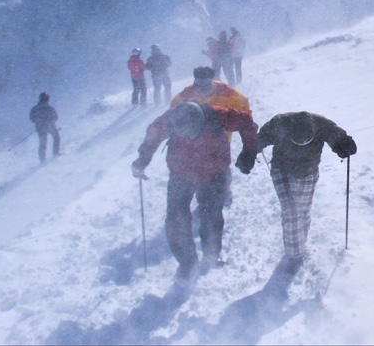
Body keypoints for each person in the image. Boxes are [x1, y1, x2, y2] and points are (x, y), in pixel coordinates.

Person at [132, 100, 258, 283]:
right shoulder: (170, 119)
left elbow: (246, 122)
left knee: (212, 215)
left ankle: (212, 255)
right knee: (176, 219)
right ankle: (187, 263)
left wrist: (249, 150)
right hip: (181, 174)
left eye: (192, 132)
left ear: (200, 120)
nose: (189, 137)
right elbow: (154, 133)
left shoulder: (217, 115)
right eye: (185, 134)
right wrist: (142, 159)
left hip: (214, 173)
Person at [237, 111, 356, 268]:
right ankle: (294, 256)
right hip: (283, 169)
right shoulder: (280, 123)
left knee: (303, 211)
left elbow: (338, 137)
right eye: (297, 141)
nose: (301, 144)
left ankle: (298, 243)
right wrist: (249, 153)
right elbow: (260, 139)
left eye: (305, 142)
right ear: (290, 130)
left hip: (309, 171)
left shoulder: (323, 125)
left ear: (313, 131)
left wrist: (344, 145)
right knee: (292, 212)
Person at [170, 66, 254, 207]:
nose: (202, 87)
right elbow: (174, 114)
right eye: (198, 83)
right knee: (197, 167)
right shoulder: (185, 95)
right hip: (192, 139)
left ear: (212, 81)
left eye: (205, 83)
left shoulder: (228, 93)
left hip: (220, 139)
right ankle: (205, 197)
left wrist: (243, 124)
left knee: (219, 168)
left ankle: (222, 191)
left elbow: (244, 109)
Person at [29, 92, 60, 164]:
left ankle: (42, 160)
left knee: (42, 143)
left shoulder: (35, 108)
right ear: (47, 99)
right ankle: (55, 153)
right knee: (56, 138)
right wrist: (50, 121)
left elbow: (31, 117)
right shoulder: (49, 108)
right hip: (50, 126)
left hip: (40, 128)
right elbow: (55, 117)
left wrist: (38, 122)